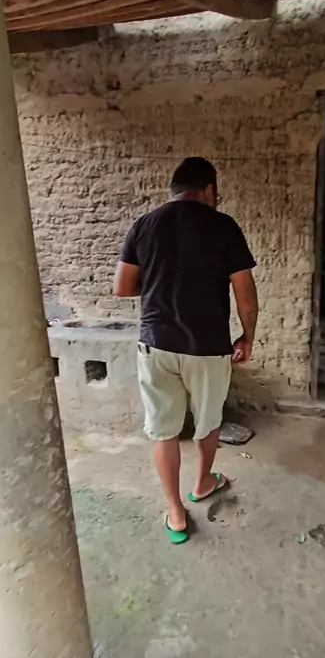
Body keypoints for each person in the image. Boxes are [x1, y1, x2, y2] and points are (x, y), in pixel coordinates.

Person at [113, 157, 258, 544]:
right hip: (208, 347)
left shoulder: (145, 224)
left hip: (156, 344)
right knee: (208, 423)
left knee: (164, 431)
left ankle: (176, 512)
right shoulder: (223, 226)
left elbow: (122, 287)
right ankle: (203, 482)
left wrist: (159, 283)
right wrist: (247, 336)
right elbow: (245, 293)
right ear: (209, 190)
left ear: (175, 189)